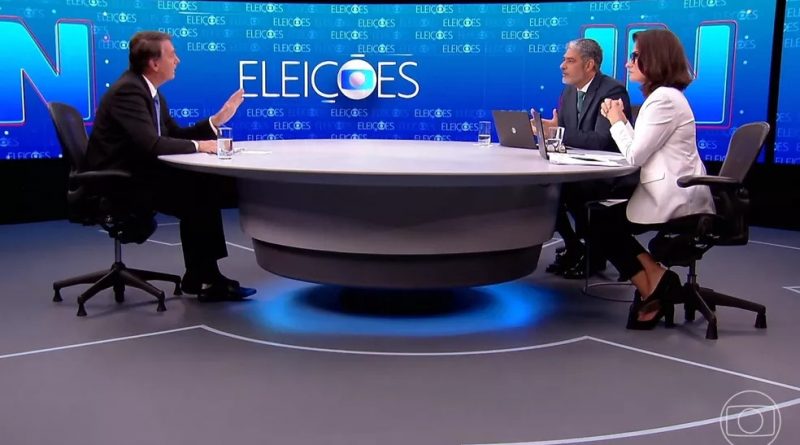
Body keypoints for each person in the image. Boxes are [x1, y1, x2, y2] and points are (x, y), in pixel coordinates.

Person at [86, 30, 255, 302]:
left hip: (138, 174)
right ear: (154, 63)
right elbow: (151, 145)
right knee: (198, 192)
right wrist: (201, 146)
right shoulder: (128, 92)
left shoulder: (150, 93)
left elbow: (173, 135)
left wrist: (216, 121)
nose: (178, 60)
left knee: (202, 187)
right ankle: (205, 278)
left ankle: (202, 276)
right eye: (172, 55)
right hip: (118, 183)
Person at [597, 29, 714, 329]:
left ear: (654, 59)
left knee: (600, 223)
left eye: (634, 56)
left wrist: (615, 121)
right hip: (670, 190)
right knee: (602, 220)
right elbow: (643, 147)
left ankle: (655, 284)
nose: (628, 63)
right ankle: (655, 282)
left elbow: (635, 155)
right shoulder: (665, 98)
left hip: (674, 196)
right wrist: (623, 122)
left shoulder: (663, 100)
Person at [537, 38, 635, 280]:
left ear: (589, 65)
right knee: (544, 188)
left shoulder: (612, 91)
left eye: (570, 61)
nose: (562, 66)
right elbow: (567, 134)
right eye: (564, 60)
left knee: (572, 190)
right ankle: (575, 246)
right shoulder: (569, 91)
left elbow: (600, 140)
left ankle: (593, 254)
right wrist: (552, 131)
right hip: (576, 167)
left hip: (607, 175)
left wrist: (558, 132)